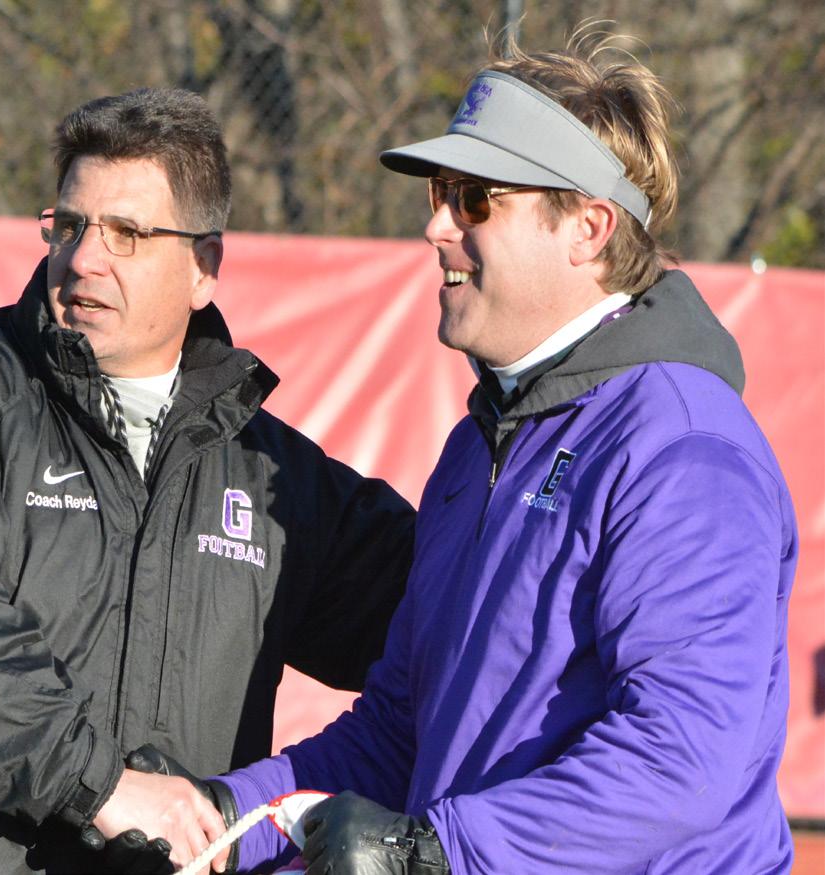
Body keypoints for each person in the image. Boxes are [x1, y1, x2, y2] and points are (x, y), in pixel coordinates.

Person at [178, 30, 797, 874]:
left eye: (474, 199)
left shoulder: (681, 448)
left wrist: (431, 851)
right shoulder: (478, 446)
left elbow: (679, 758)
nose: (435, 225)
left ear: (587, 227)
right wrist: (216, 817)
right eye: (439, 192)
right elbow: (399, 732)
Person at [0, 87, 416, 875]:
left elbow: (450, 623)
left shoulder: (276, 479)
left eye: (126, 233)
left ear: (204, 268)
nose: (83, 258)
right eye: (70, 225)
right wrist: (102, 783)